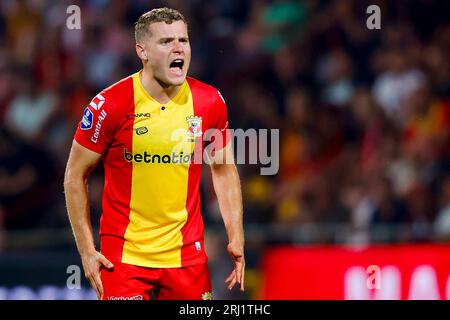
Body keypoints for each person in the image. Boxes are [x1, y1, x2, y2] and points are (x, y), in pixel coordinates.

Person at [63, 7, 245, 300]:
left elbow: (223, 168)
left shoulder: (209, 101)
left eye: (183, 40)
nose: (178, 48)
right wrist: (86, 251)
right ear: (142, 51)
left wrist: (235, 235)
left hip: (187, 259)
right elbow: (74, 176)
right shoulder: (110, 104)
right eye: (166, 42)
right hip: (124, 261)